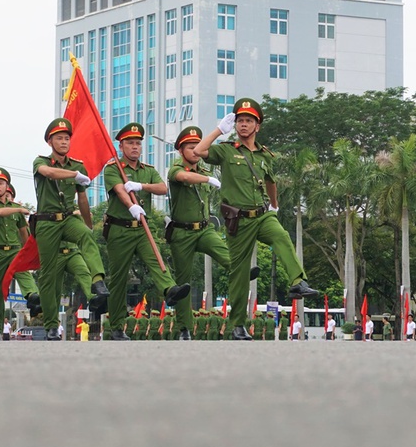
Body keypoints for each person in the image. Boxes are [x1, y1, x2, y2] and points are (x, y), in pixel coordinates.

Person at [194, 98, 319, 340]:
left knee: (281, 236)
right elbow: (199, 152)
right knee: (239, 273)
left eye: (248, 121)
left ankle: (298, 281)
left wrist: (275, 206)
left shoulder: (265, 156)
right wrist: (220, 130)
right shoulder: (226, 150)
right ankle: (238, 325)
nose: (243, 124)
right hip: (238, 221)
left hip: (262, 215)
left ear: (257, 126)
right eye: (240, 120)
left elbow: (271, 181)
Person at [166, 125, 259, 341]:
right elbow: (184, 178)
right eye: (191, 147)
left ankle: (242, 271)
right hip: (181, 233)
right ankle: (184, 329)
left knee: (229, 257)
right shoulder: (175, 169)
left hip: (204, 229)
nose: (195, 151)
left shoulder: (206, 170)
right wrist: (207, 180)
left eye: (198, 146)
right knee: (183, 283)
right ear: (181, 151)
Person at [103, 123, 190, 340]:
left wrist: (141, 186)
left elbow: (162, 188)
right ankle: (116, 326)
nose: (135, 147)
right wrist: (130, 205)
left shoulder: (148, 170)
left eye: (138, 143)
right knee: (119, 279)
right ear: (121, 146)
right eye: (130, 143)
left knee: (156, 260)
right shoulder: (113, 168)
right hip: (119, 229)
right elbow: (119, 190)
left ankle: (169, 290)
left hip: (142, 228)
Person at [32, 118, 110, 339]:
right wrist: (74, 175)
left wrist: (87, 223)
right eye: (59, 138)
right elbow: (48, 173)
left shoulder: (78, 165)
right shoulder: (41, 161)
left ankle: (98, 281)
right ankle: (50, 325)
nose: (64, 142)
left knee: (85, 235)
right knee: (47, 277)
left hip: (68, 218)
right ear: (50, 142)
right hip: (47, 222)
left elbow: (82, 199)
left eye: (67, 138)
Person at [0, 168, 41, 340]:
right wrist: (19, 210)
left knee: (23, 272)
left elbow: (24, 233)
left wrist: (29, 253)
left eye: (1, 183)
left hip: (15, 249)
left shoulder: (16, 209)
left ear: (7, 186)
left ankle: (31, 295)